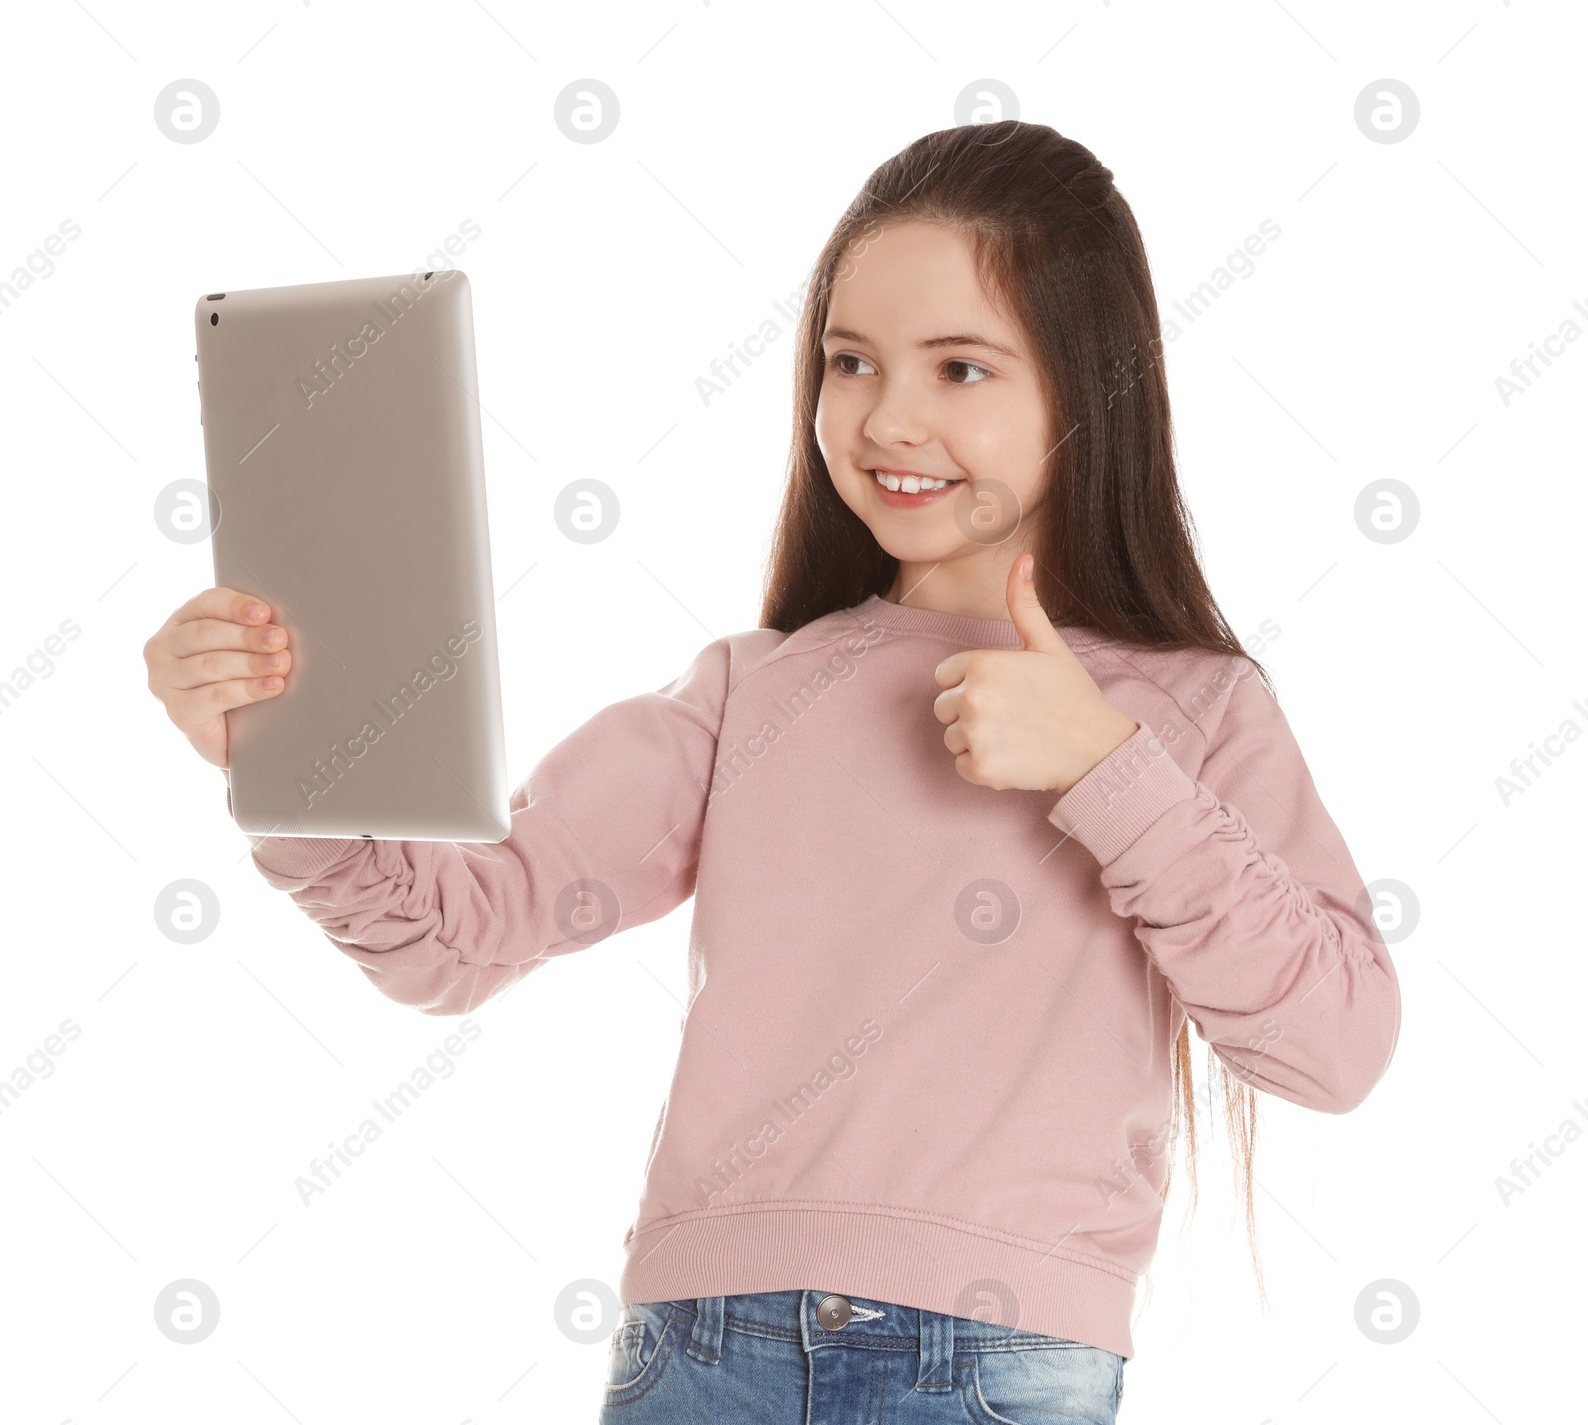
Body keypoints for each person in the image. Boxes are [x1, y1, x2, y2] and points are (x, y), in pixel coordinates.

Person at [143, 120, 1401, 1424]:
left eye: (961, 367)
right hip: (700, 1356)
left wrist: (1106, 768)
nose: (887, 416)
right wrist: (286, 759)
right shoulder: (754, 689)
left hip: (990, 1369)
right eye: (849, 361)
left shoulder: (1188, 714)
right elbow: (458, 933)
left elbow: (1336, 1045)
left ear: (1093, 390)